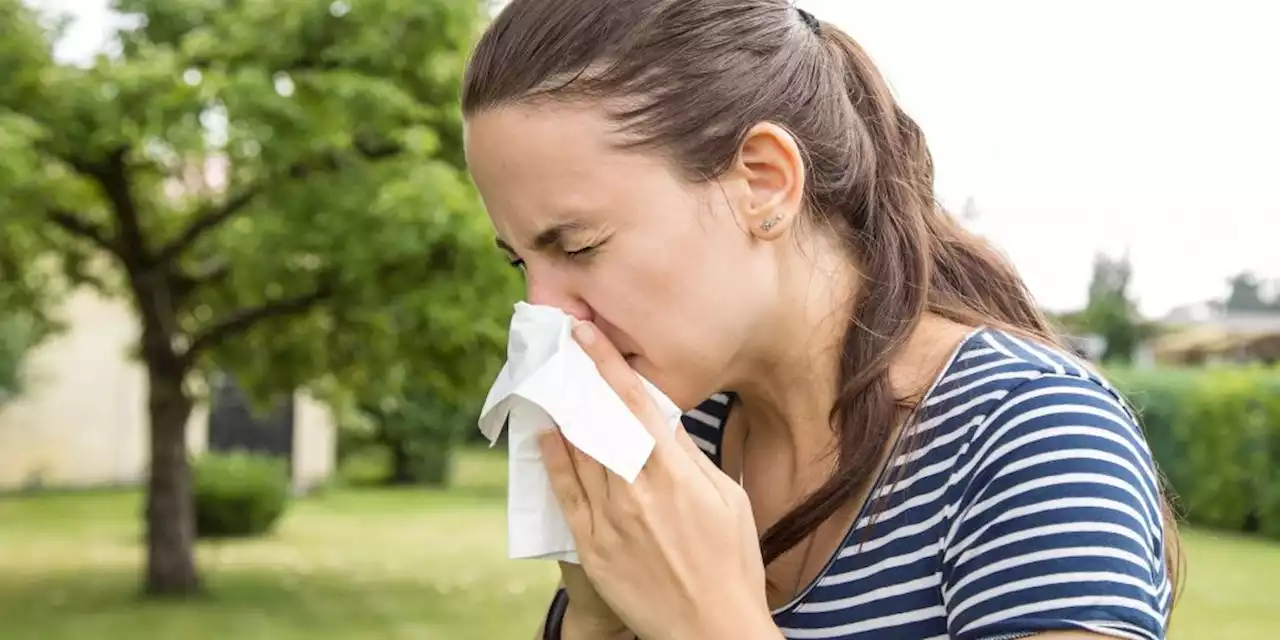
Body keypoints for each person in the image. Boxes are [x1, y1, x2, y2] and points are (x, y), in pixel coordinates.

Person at [460, 1, 1181, 638]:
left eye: (580, 245)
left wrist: (711, 625)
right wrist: (594, 617)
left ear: (764, 182)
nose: (543, 310)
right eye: (520, 262)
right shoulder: (683, 436)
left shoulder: (1030, 437)